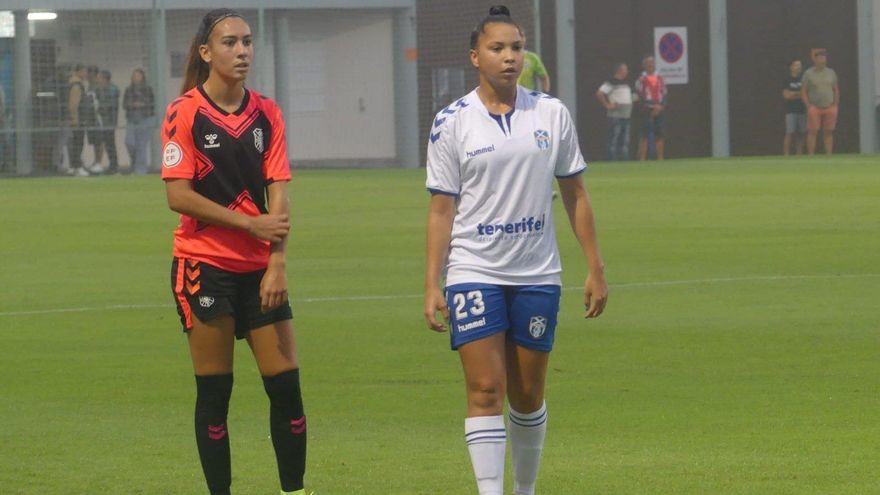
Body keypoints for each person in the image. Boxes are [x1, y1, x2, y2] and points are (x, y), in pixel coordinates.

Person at [424, 6, 608, 495]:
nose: (509, 57)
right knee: (486, 389)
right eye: (497, 48)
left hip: (536, 273)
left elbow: (575, 194)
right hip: (473, 269)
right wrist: (432, 282)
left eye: (517, 47)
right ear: (475, 56)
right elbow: (441, 209)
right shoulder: (451, 122)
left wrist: (595, 266)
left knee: (527, 396)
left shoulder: (551, 113)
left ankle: (525, 490)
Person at [161, 9, 307, 495]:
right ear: (206, 52)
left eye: (247, 41)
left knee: (286, 390)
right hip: (204, 266)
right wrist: (249, 223)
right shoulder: (184, 112)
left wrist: (277, 262)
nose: (242, 51)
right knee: (215, 394)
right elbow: (178, 196)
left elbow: (279, 191)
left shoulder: (267, 112)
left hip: (260, 270)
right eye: (230, 42)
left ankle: (294, 490)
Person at [801, 48, 839, 155]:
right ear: (815, 59)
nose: (823, 60)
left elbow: (836, 89)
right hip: (814, 107)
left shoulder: (831, 72)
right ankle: (811, 155)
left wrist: (835, 104)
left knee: (828, 131)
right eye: (820, 57)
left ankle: (829, 155)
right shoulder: (808, 73)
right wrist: (808, 106)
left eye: (824, 57)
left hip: (830, 107)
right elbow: (803, 91)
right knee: (812, 131)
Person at [596, 62, 635, 161]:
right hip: (615, 116)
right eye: (625, 69)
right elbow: (600, 93)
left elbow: (632, 96)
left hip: (626, 115)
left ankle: (624, 159)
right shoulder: (611, 82)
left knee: (625, 140)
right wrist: (607, 105)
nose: (627, 71)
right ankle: (612, 159)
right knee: (614, 138)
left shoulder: (627, 83)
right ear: (619, 70)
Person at [123, 68, 155, 174]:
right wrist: (132, 105)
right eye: (134, 76)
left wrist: (142, 104)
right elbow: (124, 104)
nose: (135, 78)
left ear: (142, 77)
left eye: (138, 76)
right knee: (129, 142)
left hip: (145, 119)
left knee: (141, 145)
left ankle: (140, 170)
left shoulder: (148, 89)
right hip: (132, 119)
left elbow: (151, 104)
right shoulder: (129, 90)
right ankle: (134, 162)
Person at [635, 55, 667, 160]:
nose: (650, 65)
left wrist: (660, 106)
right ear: (644, 65)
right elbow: (639, 95)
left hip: (659, 109)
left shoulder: (660, 77)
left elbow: (664, 93)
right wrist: (650, 106)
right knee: (644, 133)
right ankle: (642, 158)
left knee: (660, 133)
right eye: (648, 63)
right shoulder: (641, 79)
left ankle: (660, 158)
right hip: (646, 109)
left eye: (652, 63)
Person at [66, 64, 93, 176]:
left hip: (76, 119)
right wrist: (75, 119)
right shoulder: (76, 85)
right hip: (78, 120)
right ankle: (77, 166)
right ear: (79, 71)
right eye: (85, 71)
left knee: (74, 143)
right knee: (78, 143)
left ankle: (73, 166)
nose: (86, 74)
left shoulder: (73, 83)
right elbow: (73, 105)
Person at [93, 70, 120, 174]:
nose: (97, 79)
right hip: (102, 121)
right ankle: (111, 165)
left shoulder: (112, 89)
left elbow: (111, 105)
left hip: (109, 121)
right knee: (107, 143)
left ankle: (114, 165)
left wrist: (99, 107)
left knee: (110, 143)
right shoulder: (98, 89)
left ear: (104, 78)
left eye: (99, 77)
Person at [782, 58, 806, 156]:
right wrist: (799, 93)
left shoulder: (804, 79)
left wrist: (794, 94)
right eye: (796, 65)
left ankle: (799, 154)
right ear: (791, 67)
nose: (799, 67)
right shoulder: (787, 80)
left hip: (802, 110)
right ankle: (786, 154)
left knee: (801, 133)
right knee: (790, 132)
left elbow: (806, 94)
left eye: (800, 65)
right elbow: (786, 95)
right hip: (790, 111)